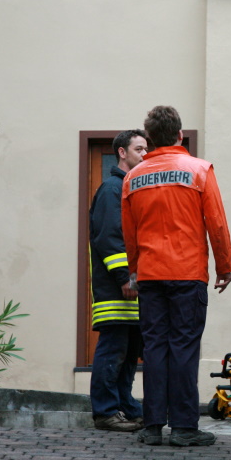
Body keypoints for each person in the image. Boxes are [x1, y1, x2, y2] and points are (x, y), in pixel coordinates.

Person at [121, 106, 231, 447]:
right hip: (187, 273)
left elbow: (129, 233)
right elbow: (216, 223)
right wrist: (224, 267)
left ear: (150, 138)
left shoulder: (132, 177)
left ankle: (153, 425)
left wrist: (135, 270)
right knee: (184, 346)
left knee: (155, 347)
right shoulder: (199, 170)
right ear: (180, 135)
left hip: (150, 274)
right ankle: (184, 427)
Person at [89, 129, 148, 432]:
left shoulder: (129, 188)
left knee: (128, 355)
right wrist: (126, 277)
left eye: (146, 149)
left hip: (133, 290)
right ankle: (105, 412)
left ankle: (126, 407)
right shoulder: (113, 189)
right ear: (122, 153)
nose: (145, 154)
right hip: (118, 290)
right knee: (113, 350)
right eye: (139, 149)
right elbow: (110, 238)